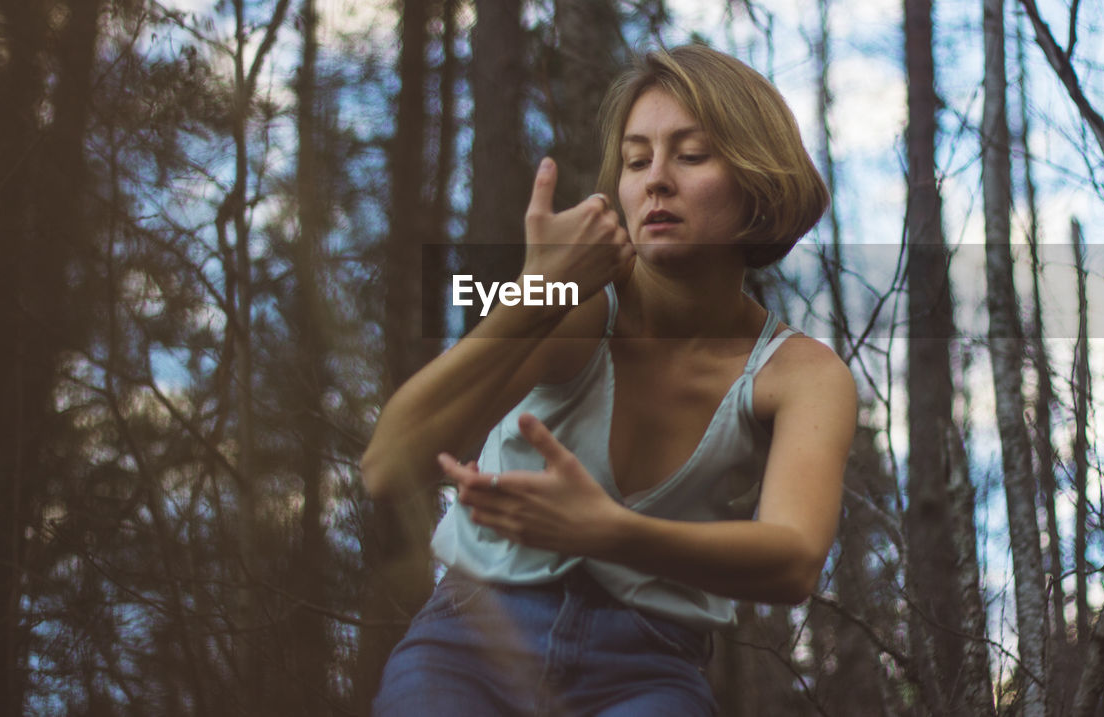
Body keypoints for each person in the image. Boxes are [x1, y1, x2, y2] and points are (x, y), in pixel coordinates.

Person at [361, 44, 857, 716]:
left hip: (647, 670)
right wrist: (534, 293)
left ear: (758, 186)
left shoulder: (801, 375)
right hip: (471, 638)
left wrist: (609, 530)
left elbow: (794, 559)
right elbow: (388, 468)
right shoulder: (581, 305)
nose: (655, 179)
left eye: (690, 154)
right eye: (635, 159)